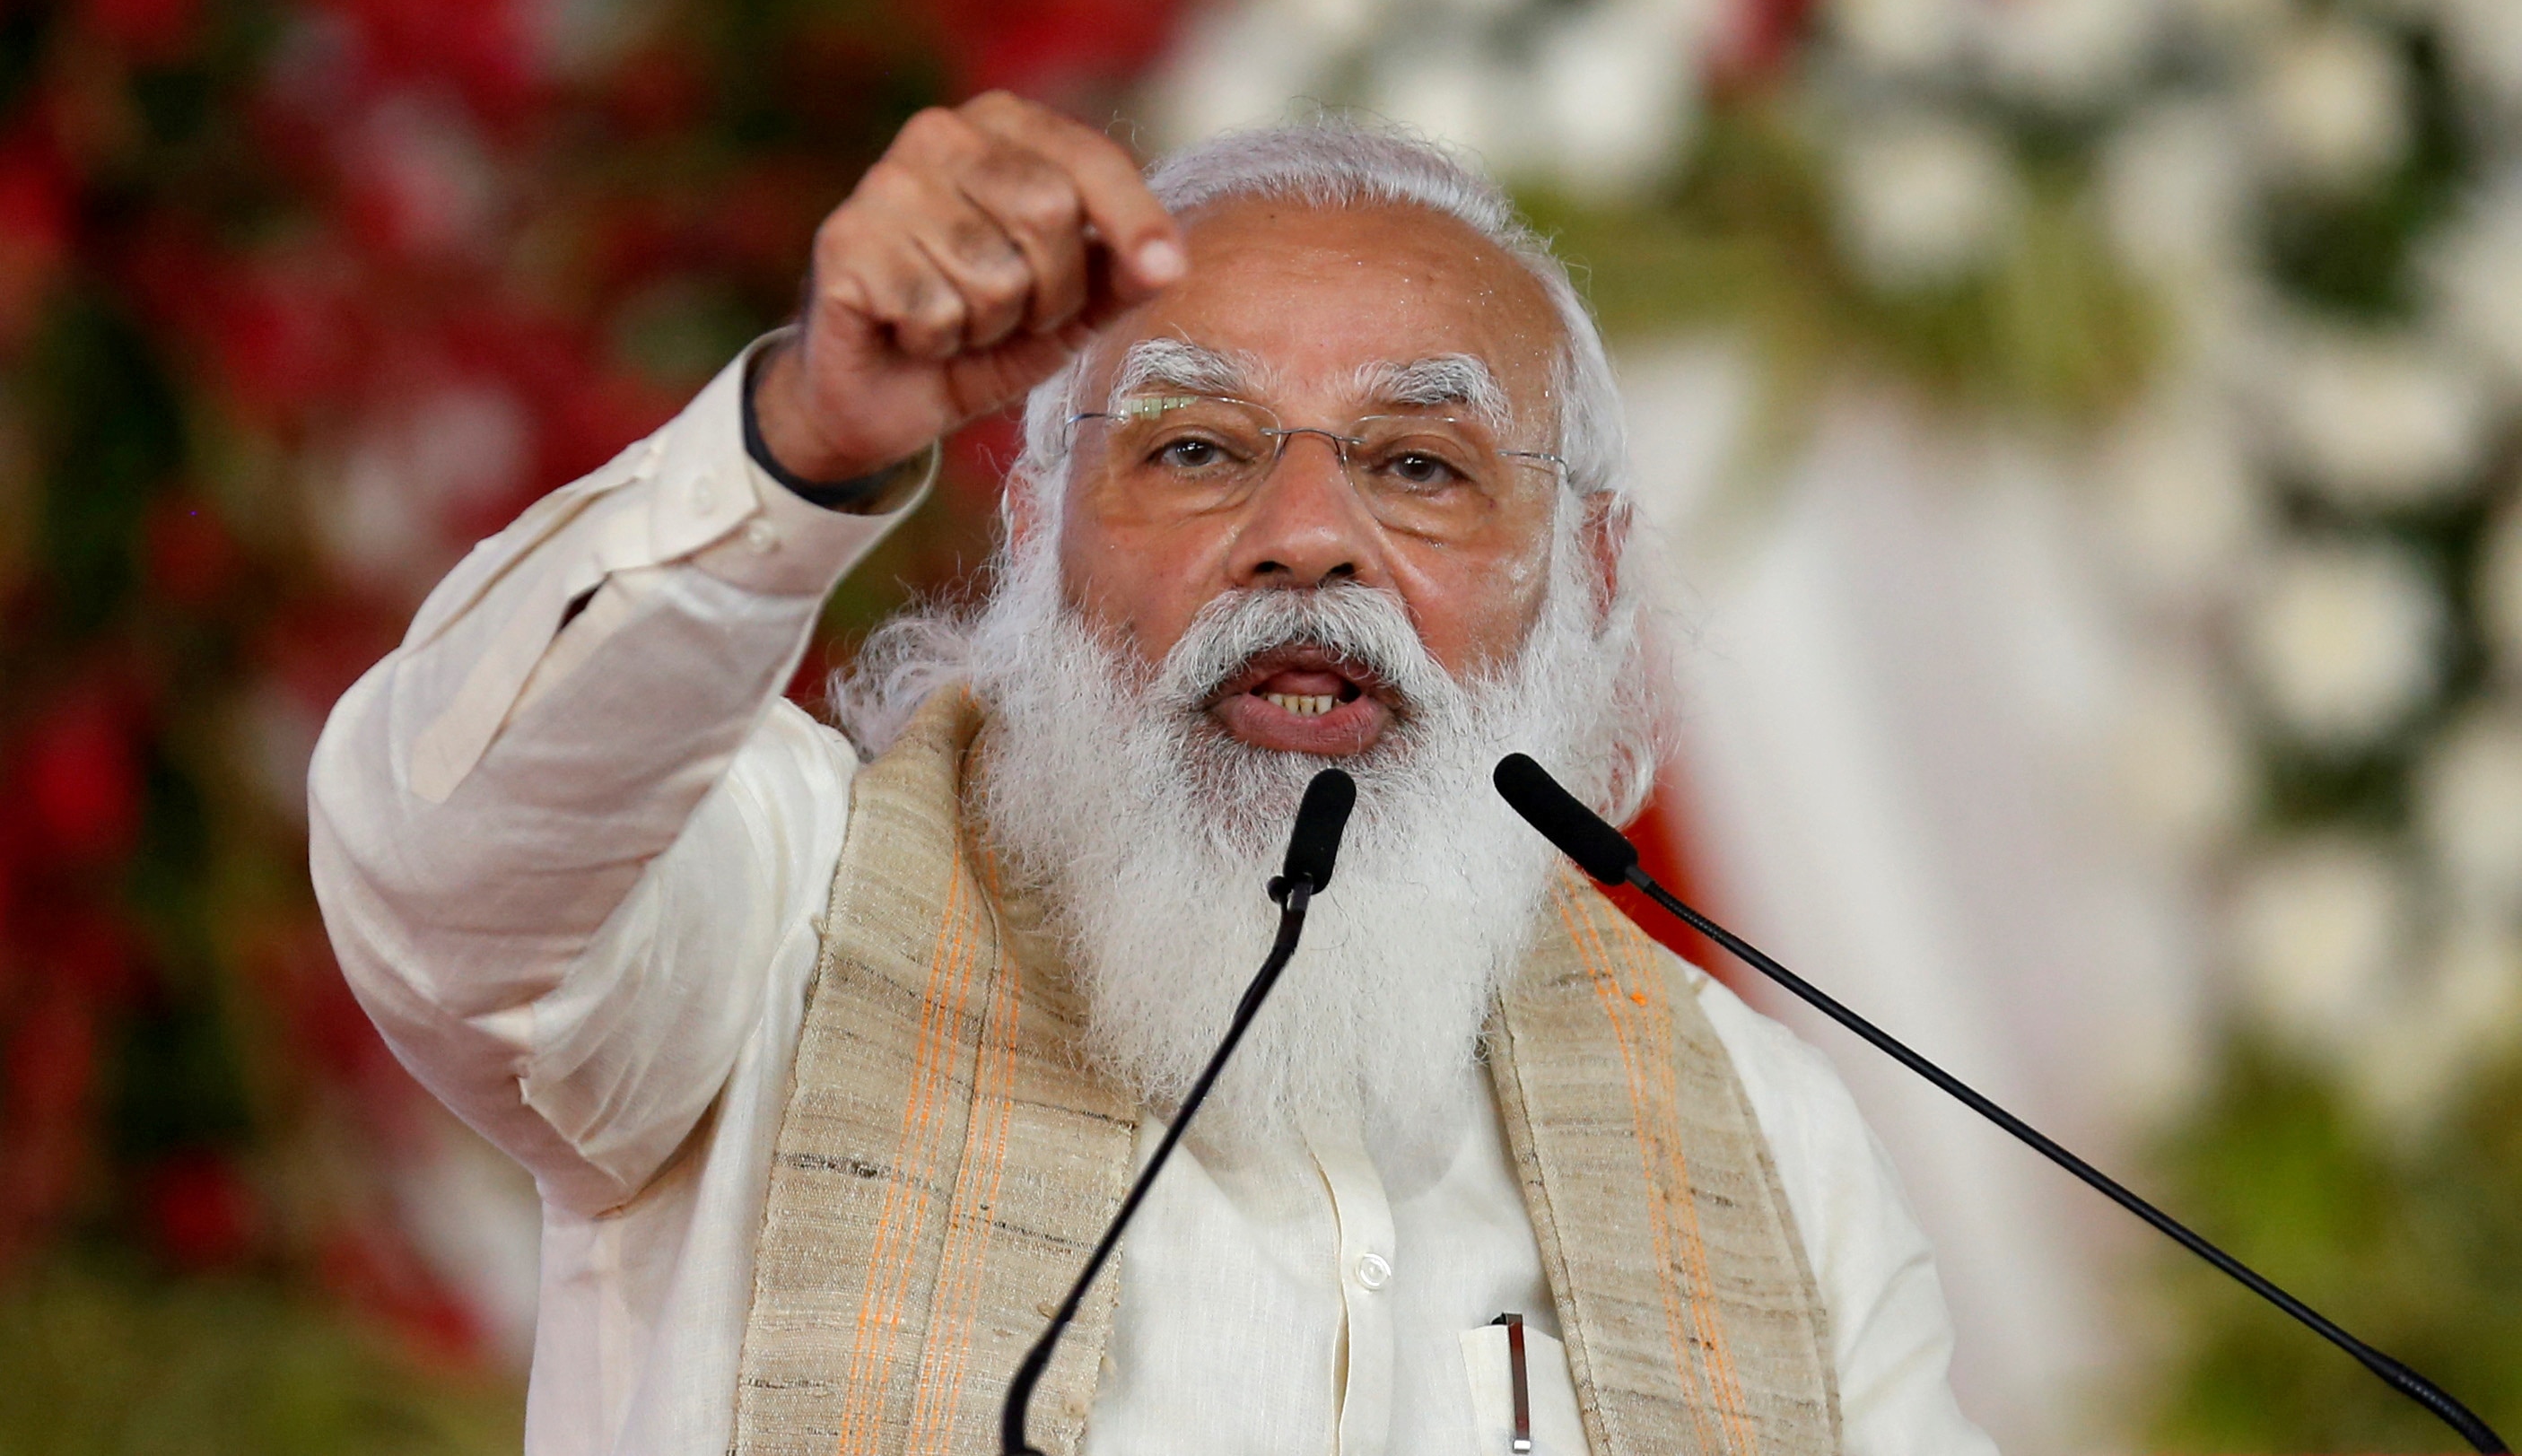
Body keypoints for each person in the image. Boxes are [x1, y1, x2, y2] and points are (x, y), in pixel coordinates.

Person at [310, 93, 1996, 1456]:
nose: (1306, 539)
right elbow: (448, 869)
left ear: (1591, 576)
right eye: (1195, 448)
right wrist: (803, 439)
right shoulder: (772, 917)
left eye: (1420, 464)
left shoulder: (1765, 1145)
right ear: (1039, 526)